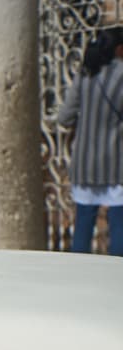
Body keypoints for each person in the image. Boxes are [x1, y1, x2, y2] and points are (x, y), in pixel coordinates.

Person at [53, 28, 123, 255]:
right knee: (119, 227)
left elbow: (64, 117)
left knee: (83, 228)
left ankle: (79, 278)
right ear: (119, 48)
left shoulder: (85, 74)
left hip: (84, 163)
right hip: (116, 165)